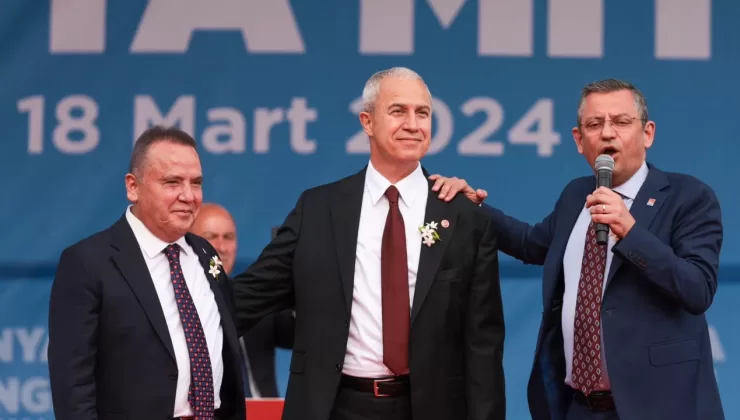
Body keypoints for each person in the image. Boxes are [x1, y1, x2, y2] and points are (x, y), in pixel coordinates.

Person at [429, 79, 724, 420]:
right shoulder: (576, 195)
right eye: (594, 124)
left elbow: (697, 289)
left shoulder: (688, 196)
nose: (608, 133)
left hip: (659, 407)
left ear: (648, 133)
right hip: (579, 407)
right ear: (579, 140)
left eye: (621, 122)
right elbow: (531, 244)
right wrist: (474, 210)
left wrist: (630, 232)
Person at [231, 67, 506, 420]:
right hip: (336, 407)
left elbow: (484, 346)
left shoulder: (465, 218)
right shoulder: (318, 210)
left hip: (431, 408)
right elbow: (248, 297)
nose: (413, 124)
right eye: (398, 111)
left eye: (422, 113)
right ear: (367, 122)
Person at [48, 126, 246, 420]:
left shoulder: (205, 253)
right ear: (133, 187)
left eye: (196, 183)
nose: (188, 196)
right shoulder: (88, 262)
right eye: (172, 182)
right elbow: (73, 387)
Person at [191, 202, 296, 398]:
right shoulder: (179, 304)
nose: (221, 247)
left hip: (268, 411)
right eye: (210, 237)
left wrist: (298, 280)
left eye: (228, 237)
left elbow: (293, 336)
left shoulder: (256, 297)